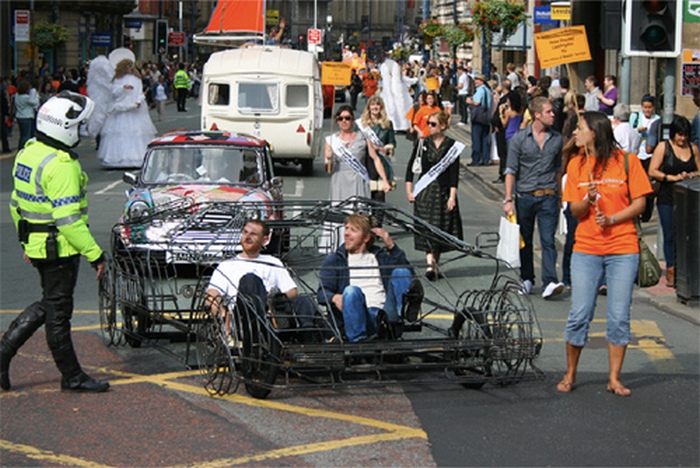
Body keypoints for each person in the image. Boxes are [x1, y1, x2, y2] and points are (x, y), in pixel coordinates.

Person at [1, 91, 109, 393]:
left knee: (51, 305)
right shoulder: (62, 165)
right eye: (78, 126)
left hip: (38, 245)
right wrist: (95, 254)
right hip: (59, 248)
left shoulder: (29, 151)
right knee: (58, 314)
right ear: (64, 127)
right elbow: (69, 221)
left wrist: (26, 243)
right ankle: (72, 377)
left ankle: (4, 354)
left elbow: (16, 204)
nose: (81, 132)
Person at [558, 111, 653, 396]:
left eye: (580, 128)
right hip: (586, 248)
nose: (575, 133)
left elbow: (640, 204)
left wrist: (612, 219)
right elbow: (573, 211)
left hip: (623, 248)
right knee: (580, 313)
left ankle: (614, 378)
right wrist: (586, 201)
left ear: (595, 132)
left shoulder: (627, 161)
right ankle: (570, 373)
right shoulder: (576, 164)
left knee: (619, 315)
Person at [207, 219, 321, 343]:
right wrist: (223, 314)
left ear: (265, 240)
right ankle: (266, 316)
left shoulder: (273, 262)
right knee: (250, 280)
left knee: (304, 300)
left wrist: (276, 299)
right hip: (246, 319)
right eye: (245, 232)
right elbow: (211, 294)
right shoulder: (227, 265)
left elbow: (292, 291)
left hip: (275, 315)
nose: (247, 237)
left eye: (253, 234)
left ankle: (310, 338)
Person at [317, 214, 422, 342]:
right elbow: (322, 293)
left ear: (366, 238)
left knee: (401, 271)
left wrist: (392, 247)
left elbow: (409, 276)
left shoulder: (379, 256)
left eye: (353, 230)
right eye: (346, 228)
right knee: (351, 291)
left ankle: (405, 311)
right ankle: (358, 343)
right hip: (359, 313)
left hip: (384, 314)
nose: (346, 234)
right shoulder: (335, 260)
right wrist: (334, 297)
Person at [503, 96, 565, 299]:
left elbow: (557, 169)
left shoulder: (557, 138)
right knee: (526, 240)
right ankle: (527, 278)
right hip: (525, 196)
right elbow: (511, 170)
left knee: (548, 240)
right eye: (549, 112)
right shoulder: (520, 138)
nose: (553, 114)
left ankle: (550, 281)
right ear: (537, 115)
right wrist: (508, 199)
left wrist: (560, 194)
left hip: (548, 195)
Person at [405, 110, 464, 280]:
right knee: (426, 230)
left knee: (438, 230)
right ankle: (430, 266)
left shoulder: (452, 146)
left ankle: (434, 264)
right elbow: (410, 169)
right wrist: (409, 191)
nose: (429, 127)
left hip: (443, 194)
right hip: (424, 194)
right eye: (428, 123)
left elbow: (454, 174)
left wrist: (452, 197)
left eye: (432, 124)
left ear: (443, 126)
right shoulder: (421, 144)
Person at [648, 115, 700, 287]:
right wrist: (671, 177)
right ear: (673, 134)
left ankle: (687, 267)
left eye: (685, 135)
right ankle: (671, 268)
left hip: (688, 199)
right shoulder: (664, 147)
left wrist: (691, 175)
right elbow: (653, 170)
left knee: (687, 234)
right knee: (670, 233)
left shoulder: (693, 148)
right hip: (667, 196)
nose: (682, 139)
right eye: (679, 135)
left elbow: (699, 170)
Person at [89, 49, 157, 168]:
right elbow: (114, 93)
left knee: (135, 133)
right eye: (127, 66)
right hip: (120, 111)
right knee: (119, 134)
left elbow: (140, 93)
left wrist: (138, 101)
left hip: (135, 110)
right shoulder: (116, 80)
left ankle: (136, 157)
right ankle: (118, 158)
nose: (130, 69)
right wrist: (123, 88)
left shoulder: (136, 79)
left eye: (131, 66)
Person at [325, 105, 391, 203]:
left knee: (359, 215)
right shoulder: (331, 140)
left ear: (352, 120)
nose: (344, 121)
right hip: (340, 182)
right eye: (340, 118)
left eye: (347, 118)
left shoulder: (363, 137)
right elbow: (328, 169)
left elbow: (376, 159)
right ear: (337, 121)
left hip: (359, 179)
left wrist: (385, 180)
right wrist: (329, 159)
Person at [359, 96, 396, 202]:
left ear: (381, 107)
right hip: (366, 160)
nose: (375, 107)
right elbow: (357, 141)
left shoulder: (388, 124)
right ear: (369, 107)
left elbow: (392, 142)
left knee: (379, 196)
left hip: (381, 160)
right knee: (366, 196)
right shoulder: (362, 124)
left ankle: (378, 218)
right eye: (373, 104)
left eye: (378, 104)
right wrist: (370, 146)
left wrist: (386, 148)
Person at [466, 74, 492, 166]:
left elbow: (477, 103)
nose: (475, 82)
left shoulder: (480, 90)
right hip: (486, 117)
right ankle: (485, 159)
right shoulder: (487, 90)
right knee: (485, 139)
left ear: (482, 81)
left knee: (476, 139)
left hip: (478, 117)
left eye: (477, 80)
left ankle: (476, 160)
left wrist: (470, 101)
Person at [14, 80, 40, 150]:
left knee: (22, 135)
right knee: (26, 136)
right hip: (27, 116)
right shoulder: (26, 97)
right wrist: (37, 95)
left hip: (19, 116)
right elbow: (35, 102)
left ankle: (20, 148)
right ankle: (23, 149)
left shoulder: (16, 95)